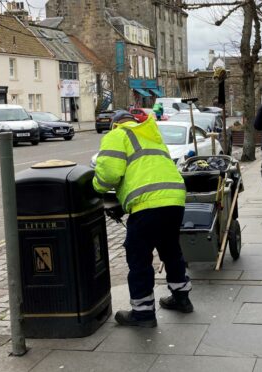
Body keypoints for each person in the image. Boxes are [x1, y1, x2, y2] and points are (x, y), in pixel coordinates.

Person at [93, 110, 192, 328]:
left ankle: (143, 313)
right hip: (174, 198)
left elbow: (109, 174)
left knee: (138, 256)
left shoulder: (117, 135)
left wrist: (97, 187)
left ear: (115, 124)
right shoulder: (151, 136)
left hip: (148, 204)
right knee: (171, 250)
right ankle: (182, 298)